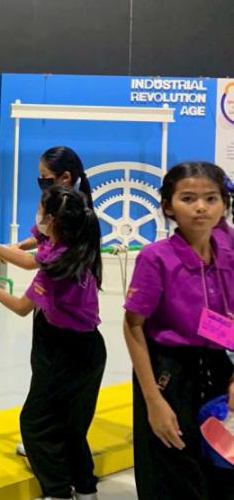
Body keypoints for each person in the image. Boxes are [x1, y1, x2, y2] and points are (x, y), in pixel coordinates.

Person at [0, 187, 105, 500]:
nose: (37, 215)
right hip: (91, 348)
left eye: (41, 210)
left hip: (63, 351)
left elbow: (21, 306)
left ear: (52, 220)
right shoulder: (79, 246)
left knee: (35, 424)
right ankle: (86, 488)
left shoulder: (56, 268)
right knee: (72, 425)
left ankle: (57, 491)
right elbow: (29, 259)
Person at [123, 161, 234, 499]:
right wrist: (153, 400)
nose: (201, 207)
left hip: (218, 366)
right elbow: (133, 325)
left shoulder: (227, 251)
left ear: (224, 204)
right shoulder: (156, 258)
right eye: (188, 198)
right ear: (168, 206)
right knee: (172, 469)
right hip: (168, 373)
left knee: (221, 466)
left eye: (211, 198)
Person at [14, 146, 93, 252]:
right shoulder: (52, 202)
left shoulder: (72, 211)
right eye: (40, 176)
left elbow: (33, 260)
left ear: (65, 177)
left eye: (44, 176)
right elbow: (43, 236)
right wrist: (18, 246)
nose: (41, 180)